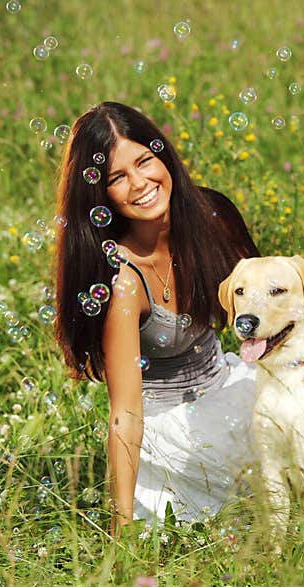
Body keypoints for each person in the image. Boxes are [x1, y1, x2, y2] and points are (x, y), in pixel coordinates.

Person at [53, 101, 260, 536]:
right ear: (100, 196)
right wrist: (120, 530)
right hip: (175, 429)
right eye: (116, 178)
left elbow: (268, 313)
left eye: (144, 161)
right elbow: (125, 412)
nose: (140, 183)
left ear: (163, 154)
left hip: (229, 384)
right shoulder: (124, 282)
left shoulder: (213, 217)